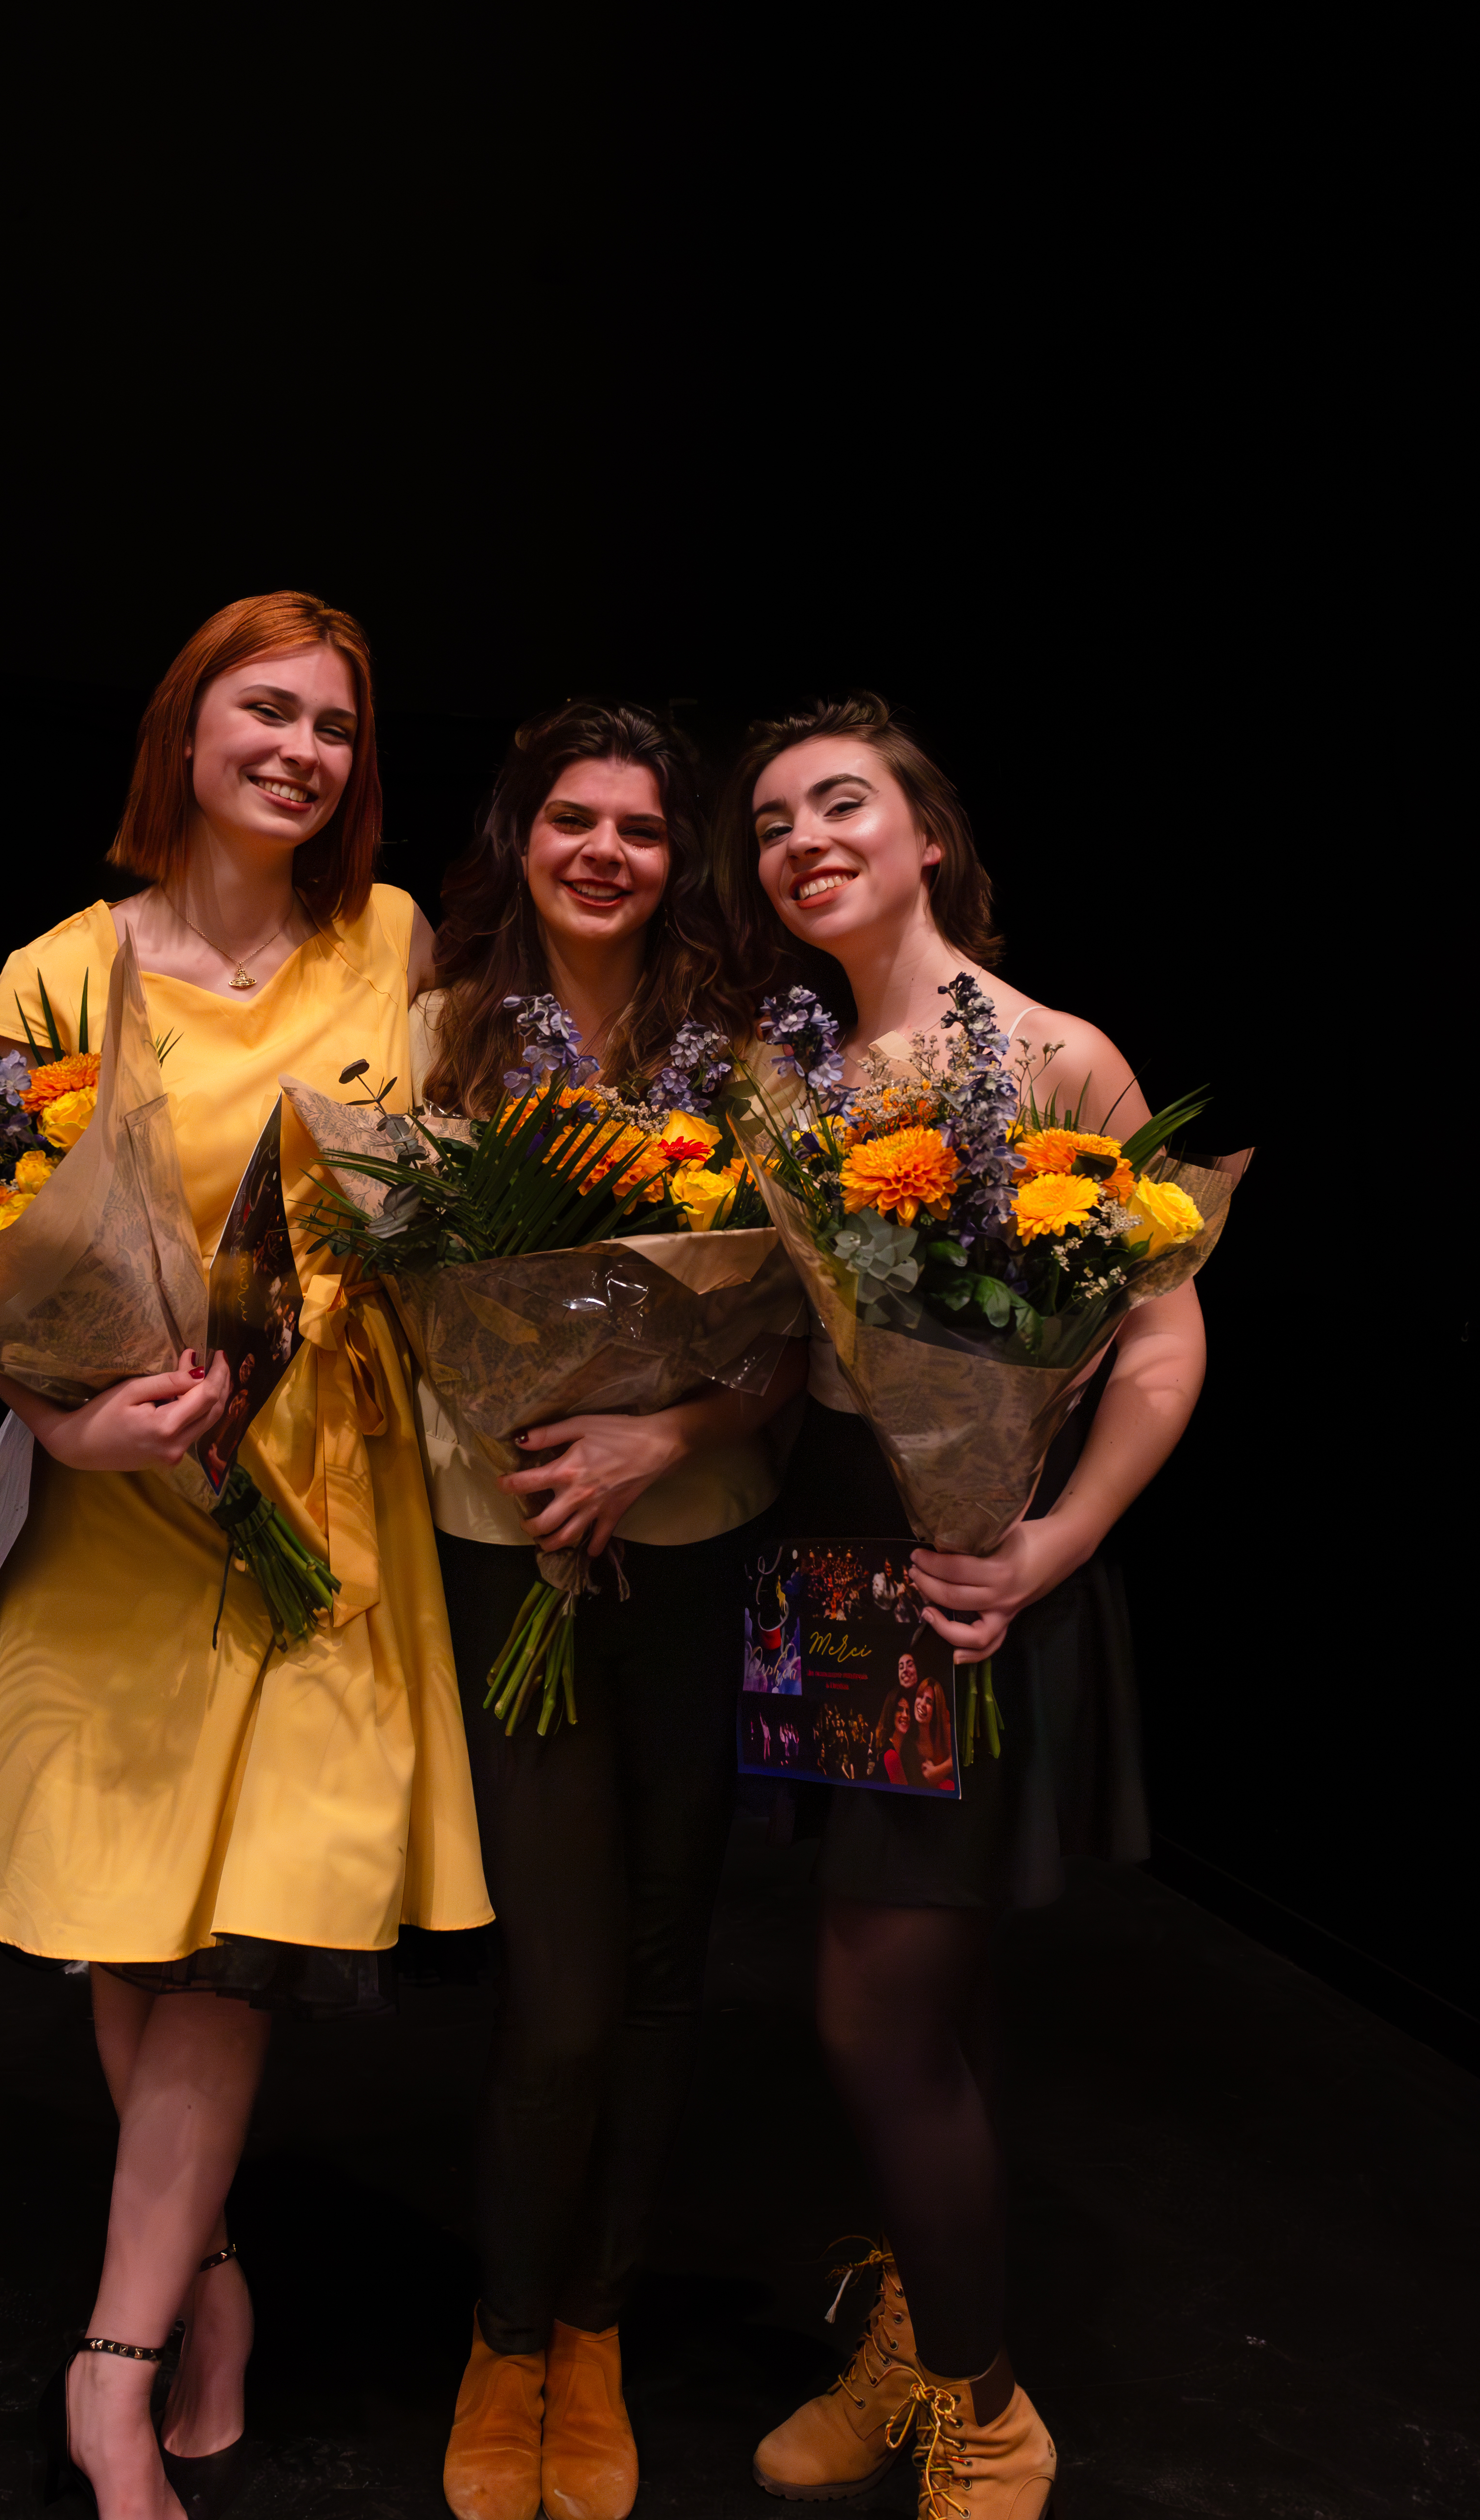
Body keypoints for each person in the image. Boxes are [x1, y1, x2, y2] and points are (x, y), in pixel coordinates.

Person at [0, 591, 490, 2520]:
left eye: (335, 729)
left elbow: (459, 1176)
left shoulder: (393, 942)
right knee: (142, 1919)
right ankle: (201, 2282)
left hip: (323, 1505)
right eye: (268, 713)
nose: (302, 752)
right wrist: (60, 1416)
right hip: (125, 1509)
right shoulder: (59, 971)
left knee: (234, 1946)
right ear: (186, 733)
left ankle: (110, 2368)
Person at [716, 693, 1205, 2519]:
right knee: (932, 1999)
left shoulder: (1061, 1052)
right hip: (825, 1555)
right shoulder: (791, 1086)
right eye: (768, 823)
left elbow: (1161, 1331)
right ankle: (922, 2339)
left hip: (984, 1561)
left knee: (878, 2010)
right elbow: (777, 1362)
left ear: (929, 834)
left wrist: (1054, 1541)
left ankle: (988, 2406)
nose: (801, 840)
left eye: (839, 802)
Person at [414, 700, 807, 2520]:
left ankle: (597, 2326)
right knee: (560, 1988)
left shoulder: (740, 1052)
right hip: (506, 1541)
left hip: (697, 1534)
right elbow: (386, 1276)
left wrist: (666, 1425)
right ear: (521, 836)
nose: (602, 852)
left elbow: (803, 1318)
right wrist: (529, 1445)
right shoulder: (430, 1033)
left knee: (665, 1961)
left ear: (677, 858)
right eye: (571, 819)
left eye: (639, 829)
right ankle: (503, 2333)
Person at [910, 1678, 955, 1791]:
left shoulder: (945, 1730)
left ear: (936, 1709)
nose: (922, 1704)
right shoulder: (909, 1740)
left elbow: (958, 1757)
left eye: (929, 1702)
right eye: (920, 1697)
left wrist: (937, 1771)